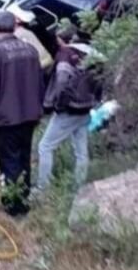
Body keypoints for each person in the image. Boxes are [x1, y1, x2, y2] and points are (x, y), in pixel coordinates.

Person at [0, 11, 44, 216]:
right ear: (14, 28)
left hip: (7, 118)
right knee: (24, 159)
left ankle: (13, 206)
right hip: (29, 115)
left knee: (9, 161)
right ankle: (23, 200)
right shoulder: (31, 50)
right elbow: (40, 83)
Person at [36, 30, 104, 191]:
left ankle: (42, 188)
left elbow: (61, 79)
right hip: (86, 108)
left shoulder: (66, 53)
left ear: (63, 40)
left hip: (69, 110)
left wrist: (58, 103)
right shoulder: (95, 55)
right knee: (81, 151)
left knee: (45, 147)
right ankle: (78, 186)